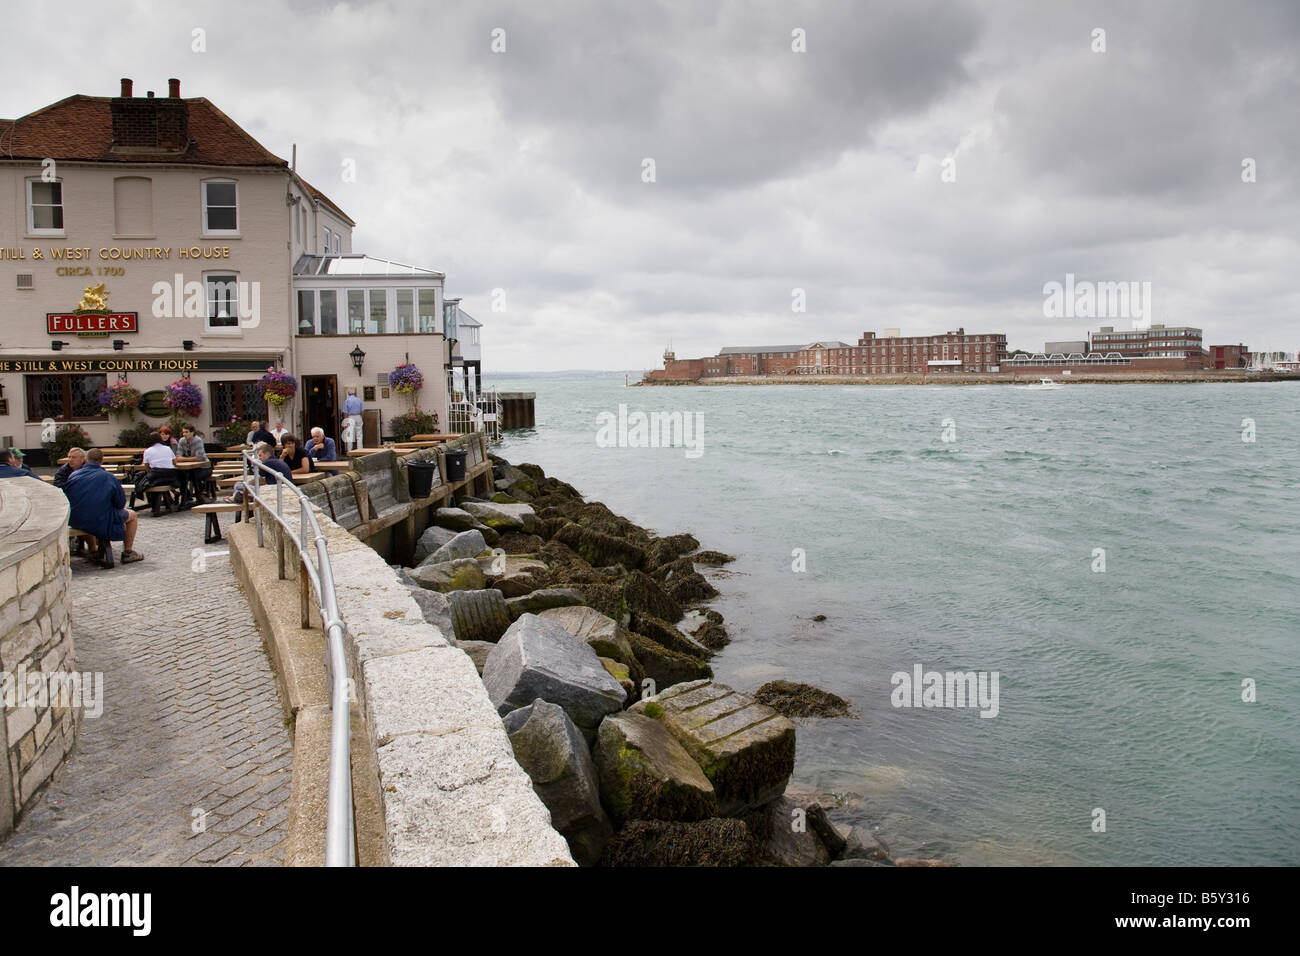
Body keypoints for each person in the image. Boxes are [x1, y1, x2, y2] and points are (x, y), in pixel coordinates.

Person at [65, 447, 142, 566]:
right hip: (101, 518)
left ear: (86, 459)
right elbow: (120, 503)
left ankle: (93, 549)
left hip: (76, 518)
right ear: (102, 461)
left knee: (88, 512)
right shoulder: (109, 477)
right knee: (132, 515)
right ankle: (128, 552)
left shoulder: (73, 475)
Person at [224, 442, 293, 503]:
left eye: (260, 455)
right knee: (243, 488)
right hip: (283, 489)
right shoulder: (276, 461)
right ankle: (238, 496)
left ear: (267, 454)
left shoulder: (267, 463)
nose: (259, 458)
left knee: (238, 485)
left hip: (274, 490)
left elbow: (258, 480)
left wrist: (246, 484)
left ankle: (236, 497)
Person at [129, 430, 179, 510]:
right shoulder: (167, 448)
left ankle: (153, 504)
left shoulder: (148, 451)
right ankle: (167, 501)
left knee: (145, 479)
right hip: (170, 476)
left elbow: (146, 466)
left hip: (156, 476)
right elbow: (175, 462)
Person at [176, 424, 212, 504]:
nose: (184, 434)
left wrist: (183, 459)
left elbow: (199, 458)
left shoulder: (197, 440)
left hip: (204, 468)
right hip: (190, 468)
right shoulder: (182, 441)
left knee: (194, 476)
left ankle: (201, 495)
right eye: (183, 432)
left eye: (186, 432)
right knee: (180, 475)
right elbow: (178, 455)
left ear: (192, 433)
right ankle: (186, 497)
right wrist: (184, 459)